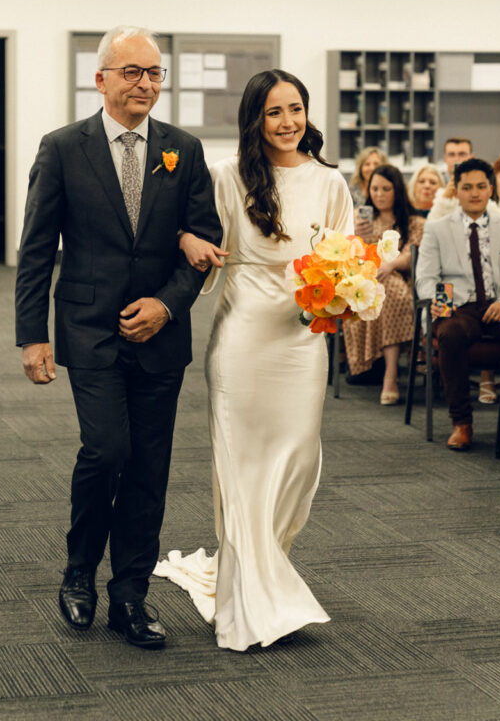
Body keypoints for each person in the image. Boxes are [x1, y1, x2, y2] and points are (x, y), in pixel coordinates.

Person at [15, 26, 221, 649]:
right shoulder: (62, 148)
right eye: (132, 72)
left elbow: (202, 245)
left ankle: (130, 595)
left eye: (155, 73)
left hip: (160, 336)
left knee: (149, 468)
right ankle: (79, 570)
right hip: (88, 328)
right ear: (100, 79)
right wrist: (32, 335)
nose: (145, 84)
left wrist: (167, 303)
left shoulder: (182, 150)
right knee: (106, 451)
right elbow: (35, 249)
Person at [155, 69, 354, 651]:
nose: (288, 122)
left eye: (296, 109)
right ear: (254, 120)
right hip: (243, 338)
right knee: (242, 469)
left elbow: (347, 259)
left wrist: (344, 292)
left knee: (295, 464)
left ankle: (260, 570)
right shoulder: (226, 177)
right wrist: (187, 240)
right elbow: (172, 227)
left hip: (302, 341)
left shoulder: (331, 183)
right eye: (274, 112)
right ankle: (252, 598)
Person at [416, 158, 500, 451]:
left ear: (491, 189)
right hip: (458, 305)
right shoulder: (437, 228)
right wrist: (439, 302)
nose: (474, 193)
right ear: (457, 191)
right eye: (467, 187)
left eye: (480, 186)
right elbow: (426, 277)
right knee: (450, 334)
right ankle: (461, 423)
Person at [344, 164, 424, 403]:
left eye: (385, 189)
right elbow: (349, 252)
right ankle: (386, 371)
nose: (379, 194)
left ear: (397, 190)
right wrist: (353, 232)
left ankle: (390, 374)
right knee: (378, 289)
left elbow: (413, 253)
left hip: (402, 281)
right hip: (363, 279)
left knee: (391, 288)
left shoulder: (414, 222)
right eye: (375, 188)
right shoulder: (361, 218)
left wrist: (390, 265)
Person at [427, 136, 474, 222]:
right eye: (451, 155)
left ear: (471, 157)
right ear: (445, 158)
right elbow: (430, 223)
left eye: (462, 154)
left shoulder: (482, 184)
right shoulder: (435, 184)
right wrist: (445, 197)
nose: (457, 159)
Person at [348, 145, 387, 209]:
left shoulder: (390, 190)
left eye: (376, 164)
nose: (372, 168)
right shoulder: (351, 192)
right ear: (360, 168)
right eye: (367, 164)